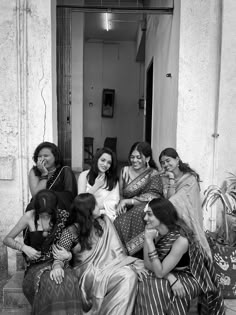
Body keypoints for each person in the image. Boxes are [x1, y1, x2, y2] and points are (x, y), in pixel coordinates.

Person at [50, 193, 146, 315]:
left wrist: (131, 264)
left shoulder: (103, 223)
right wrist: (57, 266)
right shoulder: (70, 232)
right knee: (128, 275)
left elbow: (117, 251)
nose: (99, 205)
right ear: (88, 211)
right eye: (95, 204)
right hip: (87, 276)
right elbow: (58, 257)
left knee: (130, 275)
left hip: (109, 268)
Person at [134, 198, 225, 315]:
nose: (145, 218)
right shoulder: (151, 232)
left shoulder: (181, 240)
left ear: (161, 215)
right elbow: (148, 264)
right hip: (166, 271)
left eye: (149, 214)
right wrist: (170, 277)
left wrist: (149, 242)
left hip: (189, 276)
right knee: (147, 280)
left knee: (158, 285)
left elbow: (160, 273)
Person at [3, 190, 81, 314]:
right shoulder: (29, 216)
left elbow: (77, 243)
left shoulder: (63, 217)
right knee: (50, 283)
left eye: (49, 214)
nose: (46, 218)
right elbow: (7, 239)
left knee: (70, 280)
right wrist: (24, 248)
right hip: (36, 266)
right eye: (43, 214)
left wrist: (69, 255)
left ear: (55, 209)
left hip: (58, 261)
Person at [113, 141, 163, 256]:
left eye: (138, 157)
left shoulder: (153, 174)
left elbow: (154, 195)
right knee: (117, 220)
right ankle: (122, 253)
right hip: (126, 208)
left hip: (144, 208)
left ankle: (137, 254)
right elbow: (121, 194)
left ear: (147, 158)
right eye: (132, 157)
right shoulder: (124, 171)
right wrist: (121, 203)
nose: (134, 160)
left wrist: (128, 201)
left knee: (142, 212)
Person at [159, 147, 211, 255]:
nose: (165, 165)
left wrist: (171, 179)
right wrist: (171, 178)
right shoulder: (165, 178)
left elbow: (174, 202)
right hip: (172, 218)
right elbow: (169, 200)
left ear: (177, 159)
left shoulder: (190, 179)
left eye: (168, 161)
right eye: (162, 163)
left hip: (187, 220)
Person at [27, 141, 77, 211]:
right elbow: (36, 196)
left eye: (46, 156)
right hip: (39, 209)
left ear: (55, 157)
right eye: (39, 156)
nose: (42, 159)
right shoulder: (34, 171)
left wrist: (51, 198)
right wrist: (44, 174)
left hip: (59, 210)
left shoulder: (65, 171)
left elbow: (70, 197)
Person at [77, 147, 119, 221]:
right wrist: (96, 186)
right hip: (86, 216)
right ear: (96, 160)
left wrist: (100, 211)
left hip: (107, 217)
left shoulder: (113, 180)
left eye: (109, 162)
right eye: (103, 160)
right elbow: (80, 201)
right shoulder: (84, 175)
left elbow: (114, 202)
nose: (105, 164)